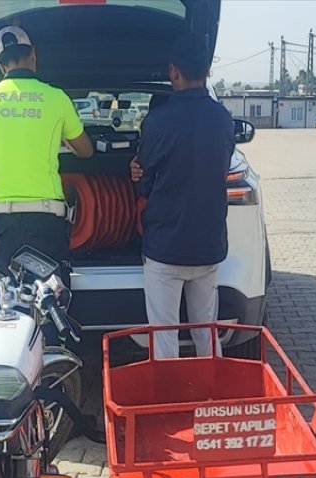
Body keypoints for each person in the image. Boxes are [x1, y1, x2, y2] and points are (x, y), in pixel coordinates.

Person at [0, 26, 93, 306]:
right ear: (33, 56)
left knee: (3, 303)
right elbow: (85, 151)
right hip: (46, 222)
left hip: (0, 225)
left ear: (1, 66)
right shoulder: (57, 98)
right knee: (51, 303)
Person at [130, 36, 234, 359]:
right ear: (206, 70)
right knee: (207, 333)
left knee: (165, 339)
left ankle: (171, 404)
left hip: (165, 250)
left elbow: (144, 179)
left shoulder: (157, 122)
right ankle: (211, 401)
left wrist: (137, 174)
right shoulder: (223, 119)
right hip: (207, 248)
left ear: (173, 71)